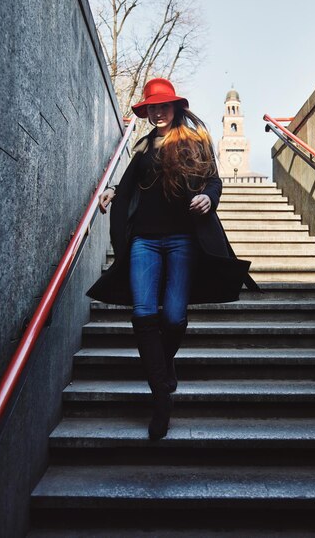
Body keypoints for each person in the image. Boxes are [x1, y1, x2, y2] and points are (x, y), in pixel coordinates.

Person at [86, 78, 258, 441]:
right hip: (144, 243)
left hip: (183, 240)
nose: (157, 112)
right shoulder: (144, 146)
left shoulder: (195, 142)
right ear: (146, 111)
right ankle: (162, 395)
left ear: (176, 107)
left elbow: (214, 181)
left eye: (163, 106)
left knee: (175, 316)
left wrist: (210, 199)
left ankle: (162, 369)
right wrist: (112, 192)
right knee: (144, 313)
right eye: (152, 107)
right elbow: (128, 185)